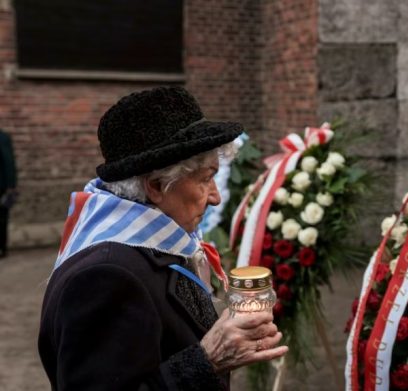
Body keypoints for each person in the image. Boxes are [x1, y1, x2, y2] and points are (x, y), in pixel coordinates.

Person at [38, 86, 288, 390]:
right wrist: (209, 360)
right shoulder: (105, 276)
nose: (216, 198)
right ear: (156, 186)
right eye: (206, 179)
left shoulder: (151, 242)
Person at [0, 128, 17, 258]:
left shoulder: (3, 138)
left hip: (1, 185)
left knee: (2, 217)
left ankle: (2, 247)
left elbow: (8, 161)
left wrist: (11, 185)